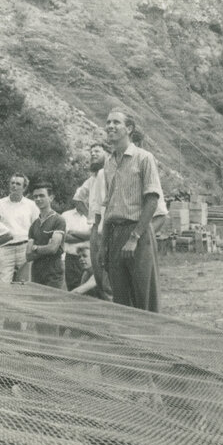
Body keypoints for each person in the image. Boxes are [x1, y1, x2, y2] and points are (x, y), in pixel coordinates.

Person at [99, 110, 163, 311]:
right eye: (108, 122)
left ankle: (148, 343)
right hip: (114, 234)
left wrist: (134, 237)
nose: (110, 126)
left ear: (129, 129)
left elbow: (152, 200)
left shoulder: (144, 158)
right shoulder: (108, 163)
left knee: (144, 297)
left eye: (116, 122)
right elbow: (109, 206)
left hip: (138, 232)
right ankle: (126, 342)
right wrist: (103, 245)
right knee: (120, 301)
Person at [0, 173, 39, 283]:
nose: (14, 186)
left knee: (24, 283)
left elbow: (36, 228)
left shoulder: (31, 205)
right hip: (5, 248)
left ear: (24, 187)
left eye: (18, 184)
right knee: (2, 283)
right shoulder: (0, 204)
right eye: (12, 183)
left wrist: (31, 248)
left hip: (24, 248)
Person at [25, 181, 67, 289]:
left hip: (53, 271)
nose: (38, 199)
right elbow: (28, 256)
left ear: (51, 197)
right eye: (35, 196)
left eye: (42, 196)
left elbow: (53, 248)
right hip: (37, 271)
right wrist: (45, 248)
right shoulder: (34, 224)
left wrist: (35, 248)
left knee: (52, 303)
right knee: (36, 303)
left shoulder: (58, 220)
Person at [61, 184, 91, 291]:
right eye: (79, 199)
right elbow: (65, 238)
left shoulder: (93, 217)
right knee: (72, 288)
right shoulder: (66, 215)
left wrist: (74, 233)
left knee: (88, 289)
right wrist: (86, 236)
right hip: (72, 258)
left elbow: (94, 236)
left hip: (89, 258)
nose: (82, 202)